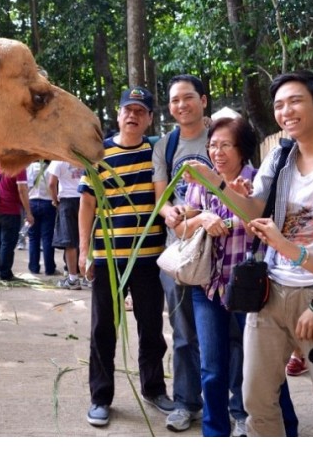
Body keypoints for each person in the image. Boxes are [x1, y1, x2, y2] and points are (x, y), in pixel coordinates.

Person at [186, 71, 313, 437]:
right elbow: (251, 210)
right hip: (271, 291)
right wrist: (215, 183)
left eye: (295, 101)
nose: (286, 111)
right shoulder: (279, 156)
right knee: (256, 400)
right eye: (279, 105)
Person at [175, 115, 298, 437]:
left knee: (263, 369)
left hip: (249, 288)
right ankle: (215, 434)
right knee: (212, 369)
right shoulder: (199, 185)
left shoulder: (258, 183)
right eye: (213, 145)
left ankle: (286, 429)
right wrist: (201, 218)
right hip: (208, 287)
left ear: (242, 148)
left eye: (225, 145)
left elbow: (266, 223)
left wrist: (235, 220)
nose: (217, 152)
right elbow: (181, 230)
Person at [80, 86, 175, 427]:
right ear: (118, 115)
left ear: (149, 118)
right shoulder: (99, 153)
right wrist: (84, 250)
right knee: (103, 328)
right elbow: (87, 202)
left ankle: (153, 388)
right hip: (107, 257)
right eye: (127, 110)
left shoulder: (157, 152)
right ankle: (100, 396)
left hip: (149, 258)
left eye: (141, 111)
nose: (132, 115)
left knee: (151, 327)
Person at [151, 75, 210, 431]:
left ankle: (235, 408)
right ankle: (187, 403)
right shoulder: (166, 145)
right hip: (179, 253)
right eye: (174, 100)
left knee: (229, 332)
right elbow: (162, 198)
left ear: (203, 100)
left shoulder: (223, 133)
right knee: (184, 332)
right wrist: (168, 212)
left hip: (221, 250)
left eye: (188, 98)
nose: (181, 105)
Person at [48, 160, 87, 289]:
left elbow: (51, 183)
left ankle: (73, 279)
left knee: (70, 242)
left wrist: (55, 201)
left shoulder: (58, 160)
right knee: (87, 239)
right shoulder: (84, 156)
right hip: (85, 199)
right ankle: (89, 278)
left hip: (67, 201)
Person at [0, 165, 34, 281]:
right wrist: (28, 212)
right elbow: (22, 190)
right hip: (10, 210)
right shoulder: (18, 167)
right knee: (8, 243)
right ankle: (5, 273)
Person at [25, 160, 56, 275]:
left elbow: (26, 185)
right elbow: (53, 185)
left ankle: (34, 267)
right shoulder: (52, 167)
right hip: (48, 204)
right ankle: (49, 268)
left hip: (32, 203)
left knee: (33, 238)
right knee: (47, 238)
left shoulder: (31, 167)